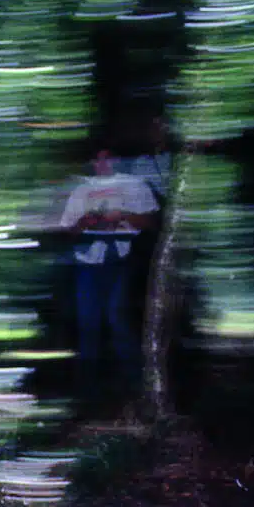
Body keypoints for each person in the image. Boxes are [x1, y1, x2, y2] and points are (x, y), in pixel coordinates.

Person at [59, 146, 160, 406]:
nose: (103, 163)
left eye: (109, 157)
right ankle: (87, 393)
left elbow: (150, 222)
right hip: (87, 264)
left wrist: (123, 216)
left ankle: (136, 389)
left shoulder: (134, 186)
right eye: (98, 158)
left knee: (119, 321)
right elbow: (68, 231)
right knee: (88, 325)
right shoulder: (81, 190)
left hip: (122, 261)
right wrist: (86, 222)